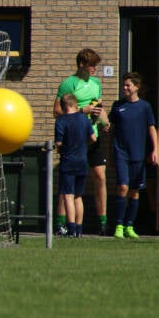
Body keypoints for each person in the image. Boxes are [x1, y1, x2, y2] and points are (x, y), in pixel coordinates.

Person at [53, 48, 109, 236]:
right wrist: (82, 112)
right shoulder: (69, 83)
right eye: (92, 65)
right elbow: (57, 112)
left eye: (96, 65)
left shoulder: (95, 83)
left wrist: (105, 121)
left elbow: (99, 107)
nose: (94, 69)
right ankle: (62, 223)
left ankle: (102, 221)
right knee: (67, 184)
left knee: (100, 177)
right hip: (75, 139)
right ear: (81, 65)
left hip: (92, 135)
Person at [108, 72, 159, 239]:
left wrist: (155, 149)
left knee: (135, 191)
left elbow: (151, 128)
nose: (125, 88)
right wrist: (110, 153)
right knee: (123, 187)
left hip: (137, 153)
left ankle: (130, 225)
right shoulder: (118, 106)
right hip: (120, 152)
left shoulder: (145, 107)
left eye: (128, 85)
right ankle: (118, 224)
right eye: (124, 85)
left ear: (136, 87)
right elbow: (110, 130)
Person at [54, 93, 96, 238]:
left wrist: (61, 147)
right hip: (82, 161)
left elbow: (58, 142)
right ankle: (79, 229)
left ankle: (71, 229)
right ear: (75, 104)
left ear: (64, 106)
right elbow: (93, 138)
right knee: (78, 196)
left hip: (68, 161)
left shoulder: (61, 120)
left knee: (68, 195)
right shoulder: (84, 119)